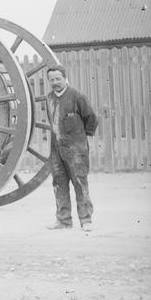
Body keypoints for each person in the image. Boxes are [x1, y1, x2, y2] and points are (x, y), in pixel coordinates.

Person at [45, 64, 98, 232]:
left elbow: (91, 118)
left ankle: (86, 220)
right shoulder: (49, 98)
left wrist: (82, 138)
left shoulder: (77, 96)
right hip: (56, 149)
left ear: (65, 78)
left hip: (76, 149)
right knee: (58, 183)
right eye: (51, 79)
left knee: (80, 182)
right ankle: (63, 220)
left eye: (58, 79)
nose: (55, 82)